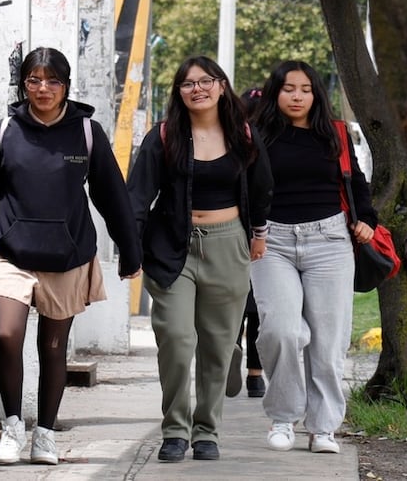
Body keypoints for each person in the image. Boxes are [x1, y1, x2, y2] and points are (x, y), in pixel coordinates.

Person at [0, 46, 142, 466]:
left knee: (53, 348)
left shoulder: (87, 133)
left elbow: (112, 198)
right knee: (7, 335)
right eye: (34, 81)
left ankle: (45, 434)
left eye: (52, 81)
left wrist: (131, 251)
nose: (43, 89)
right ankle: (12, 427)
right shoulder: (5, 131)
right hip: (11, 252)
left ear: (66, 86)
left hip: (68, 255)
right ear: (24, 86)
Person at [127, 55, 273, 463]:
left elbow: (262, 187)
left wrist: (257, 235)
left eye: (206, 81)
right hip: (173, 244)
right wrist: (131, 250)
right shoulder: (164, 136)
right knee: (176, 337)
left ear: (221, 86)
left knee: (216, 343)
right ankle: (175, 429)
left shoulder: (243, 134)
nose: (198, 89)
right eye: (188, 84)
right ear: (179, 92)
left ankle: (207, 430)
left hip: (228, 244)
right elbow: (138, 196)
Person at [250, 60, 377, 455]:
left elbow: (355, 183)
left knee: (328, 341)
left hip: (330, 240)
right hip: (272, 242)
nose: (297, 96)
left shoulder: (334, 134)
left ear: (316, 94)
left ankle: (323, 428)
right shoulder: (256, 136)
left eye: (305, 89)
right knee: (281, 330)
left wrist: (367, 220)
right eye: (289, 88)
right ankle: (283, 417)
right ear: (276, 92)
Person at [226, 86, 266, 399]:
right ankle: (255, 374)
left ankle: (229, 351)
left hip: (232, 231)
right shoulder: (271, 143)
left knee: (234, 301)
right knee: (259, 308)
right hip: (266, 233)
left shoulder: (231, 142)